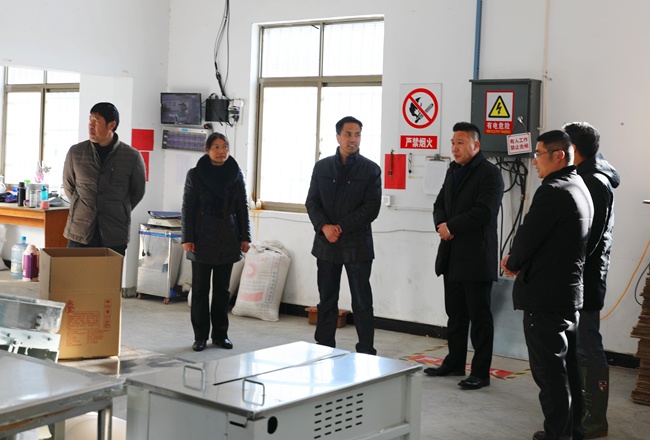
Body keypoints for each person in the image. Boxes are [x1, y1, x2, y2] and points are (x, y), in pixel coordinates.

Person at [501, 130, 593, 440]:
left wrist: (513, 262)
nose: (534, 161)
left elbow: (529, 236)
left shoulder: (552, 190)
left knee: (549, 374)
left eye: (539, 154)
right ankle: (572, 431)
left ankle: (558, 435)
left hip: (545, 297)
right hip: (568, 293)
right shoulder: (580, 186)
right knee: (567, 368)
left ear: (559, 156)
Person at [425, 122, 504, 390]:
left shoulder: (490, 174)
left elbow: (485, 211)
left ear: (475, 145)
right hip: (452, 255)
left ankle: (480, 372)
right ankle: (455, 362)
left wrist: (452, 227)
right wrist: (441, 225)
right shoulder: (453, 170)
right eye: (452, 142)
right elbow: (439, 203)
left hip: (476, 257)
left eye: (460, 142)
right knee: (455, 315)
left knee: (479, 318)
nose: (454, 148)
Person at [305, 116, 381, 355]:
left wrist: (340, 227)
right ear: (338, 136)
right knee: (326, 300)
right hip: (326, 244)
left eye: (357, 134)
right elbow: (312, 202)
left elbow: (371, 208)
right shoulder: (322, 167)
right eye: (348, 134)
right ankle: (324, 347)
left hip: (357, 245)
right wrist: (324, 227)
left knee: (362, 301)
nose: (353, 139)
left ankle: (366, 350)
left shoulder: (371, 169)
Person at [564, 122, 620, 439]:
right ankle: (582, 411)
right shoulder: (586, 175)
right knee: (578, 346)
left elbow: (588, 237)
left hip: (586, 277)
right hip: (579, 275)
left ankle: (596, 419)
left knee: (588, 347)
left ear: (573, 149)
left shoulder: (594, 182)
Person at [181, 132, 251, 352]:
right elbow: (188, 207)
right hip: (201, 237)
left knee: (222, 290)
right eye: (216, 147)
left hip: (227, 237)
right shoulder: (195, 174)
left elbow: (242, 207)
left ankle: (221, 335)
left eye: (225, 147)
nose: (221, 151)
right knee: (200, 290)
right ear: (207, 150)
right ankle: (200, 336)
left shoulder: (236, 173)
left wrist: (245, 236)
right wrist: (187, 238)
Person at [63, 102, 146, 256]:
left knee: (109, 272)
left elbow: (138, 191)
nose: (91, 125)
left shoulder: (132, 156)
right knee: (77, 272)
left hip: (114, 233)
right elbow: (69, 187)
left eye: (96, 121)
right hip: (80, 231)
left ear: (111, 125)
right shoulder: (76, 152)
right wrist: (86, 206)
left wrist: (118, 208)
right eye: (90, 120)